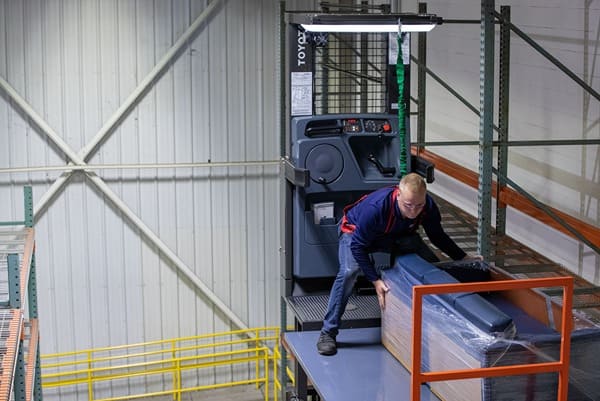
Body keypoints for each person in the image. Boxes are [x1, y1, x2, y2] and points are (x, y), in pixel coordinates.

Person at [316, 173, 482, 356]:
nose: (413, 211)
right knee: (350, 271)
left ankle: (438, 325)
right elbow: (358, 246)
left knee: (429, 267)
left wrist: (462, 256)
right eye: (408, 205)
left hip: (391, 235)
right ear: (398, 194)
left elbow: (437, 235)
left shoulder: (428, 206)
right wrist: (375, 280)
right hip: (354, 235)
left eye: (419, 205)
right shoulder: (377, 208)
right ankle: (328, 332)